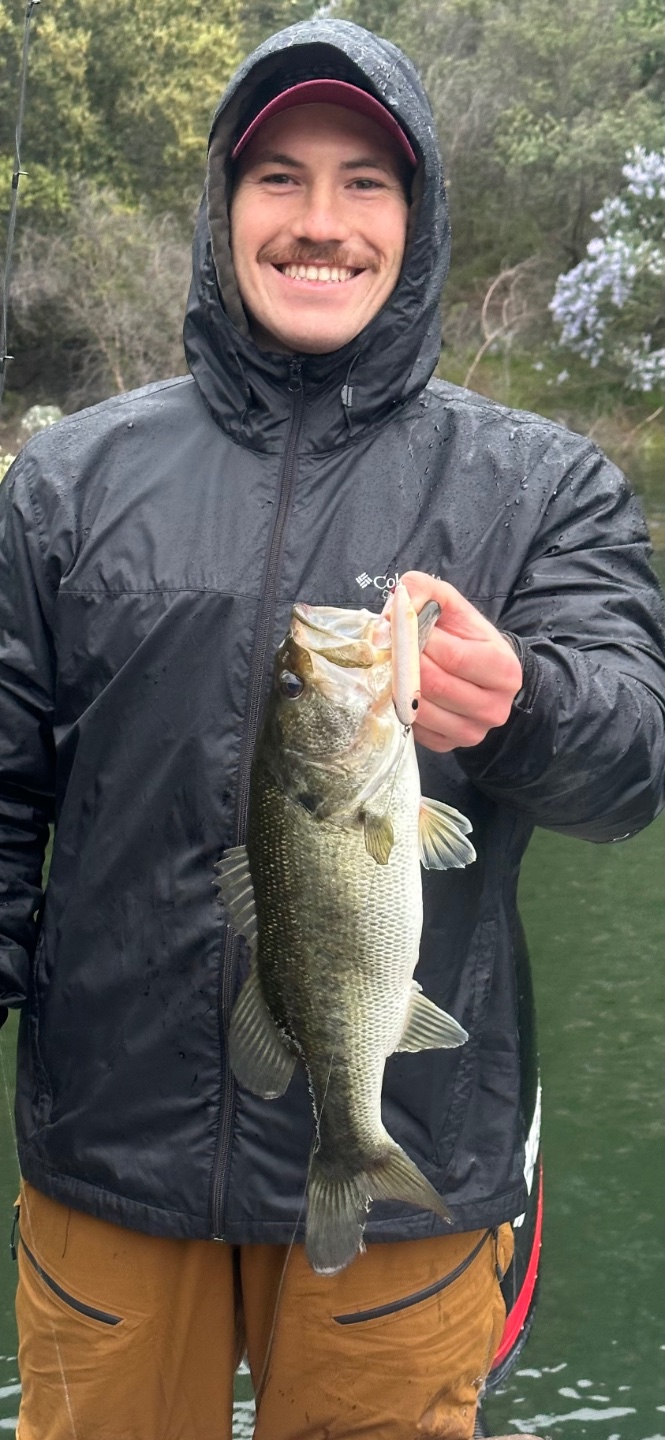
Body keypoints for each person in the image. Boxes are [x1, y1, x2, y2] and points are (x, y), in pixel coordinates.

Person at [0, 17, 663, 1440]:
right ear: (222, 210)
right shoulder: (63, 484)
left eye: (365, 181)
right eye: (278, 179)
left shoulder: (542, 486)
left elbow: (631, 767)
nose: (320, 221)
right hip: (109, 1156)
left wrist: (529, 704)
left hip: (418, 1157)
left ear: (416, 224)